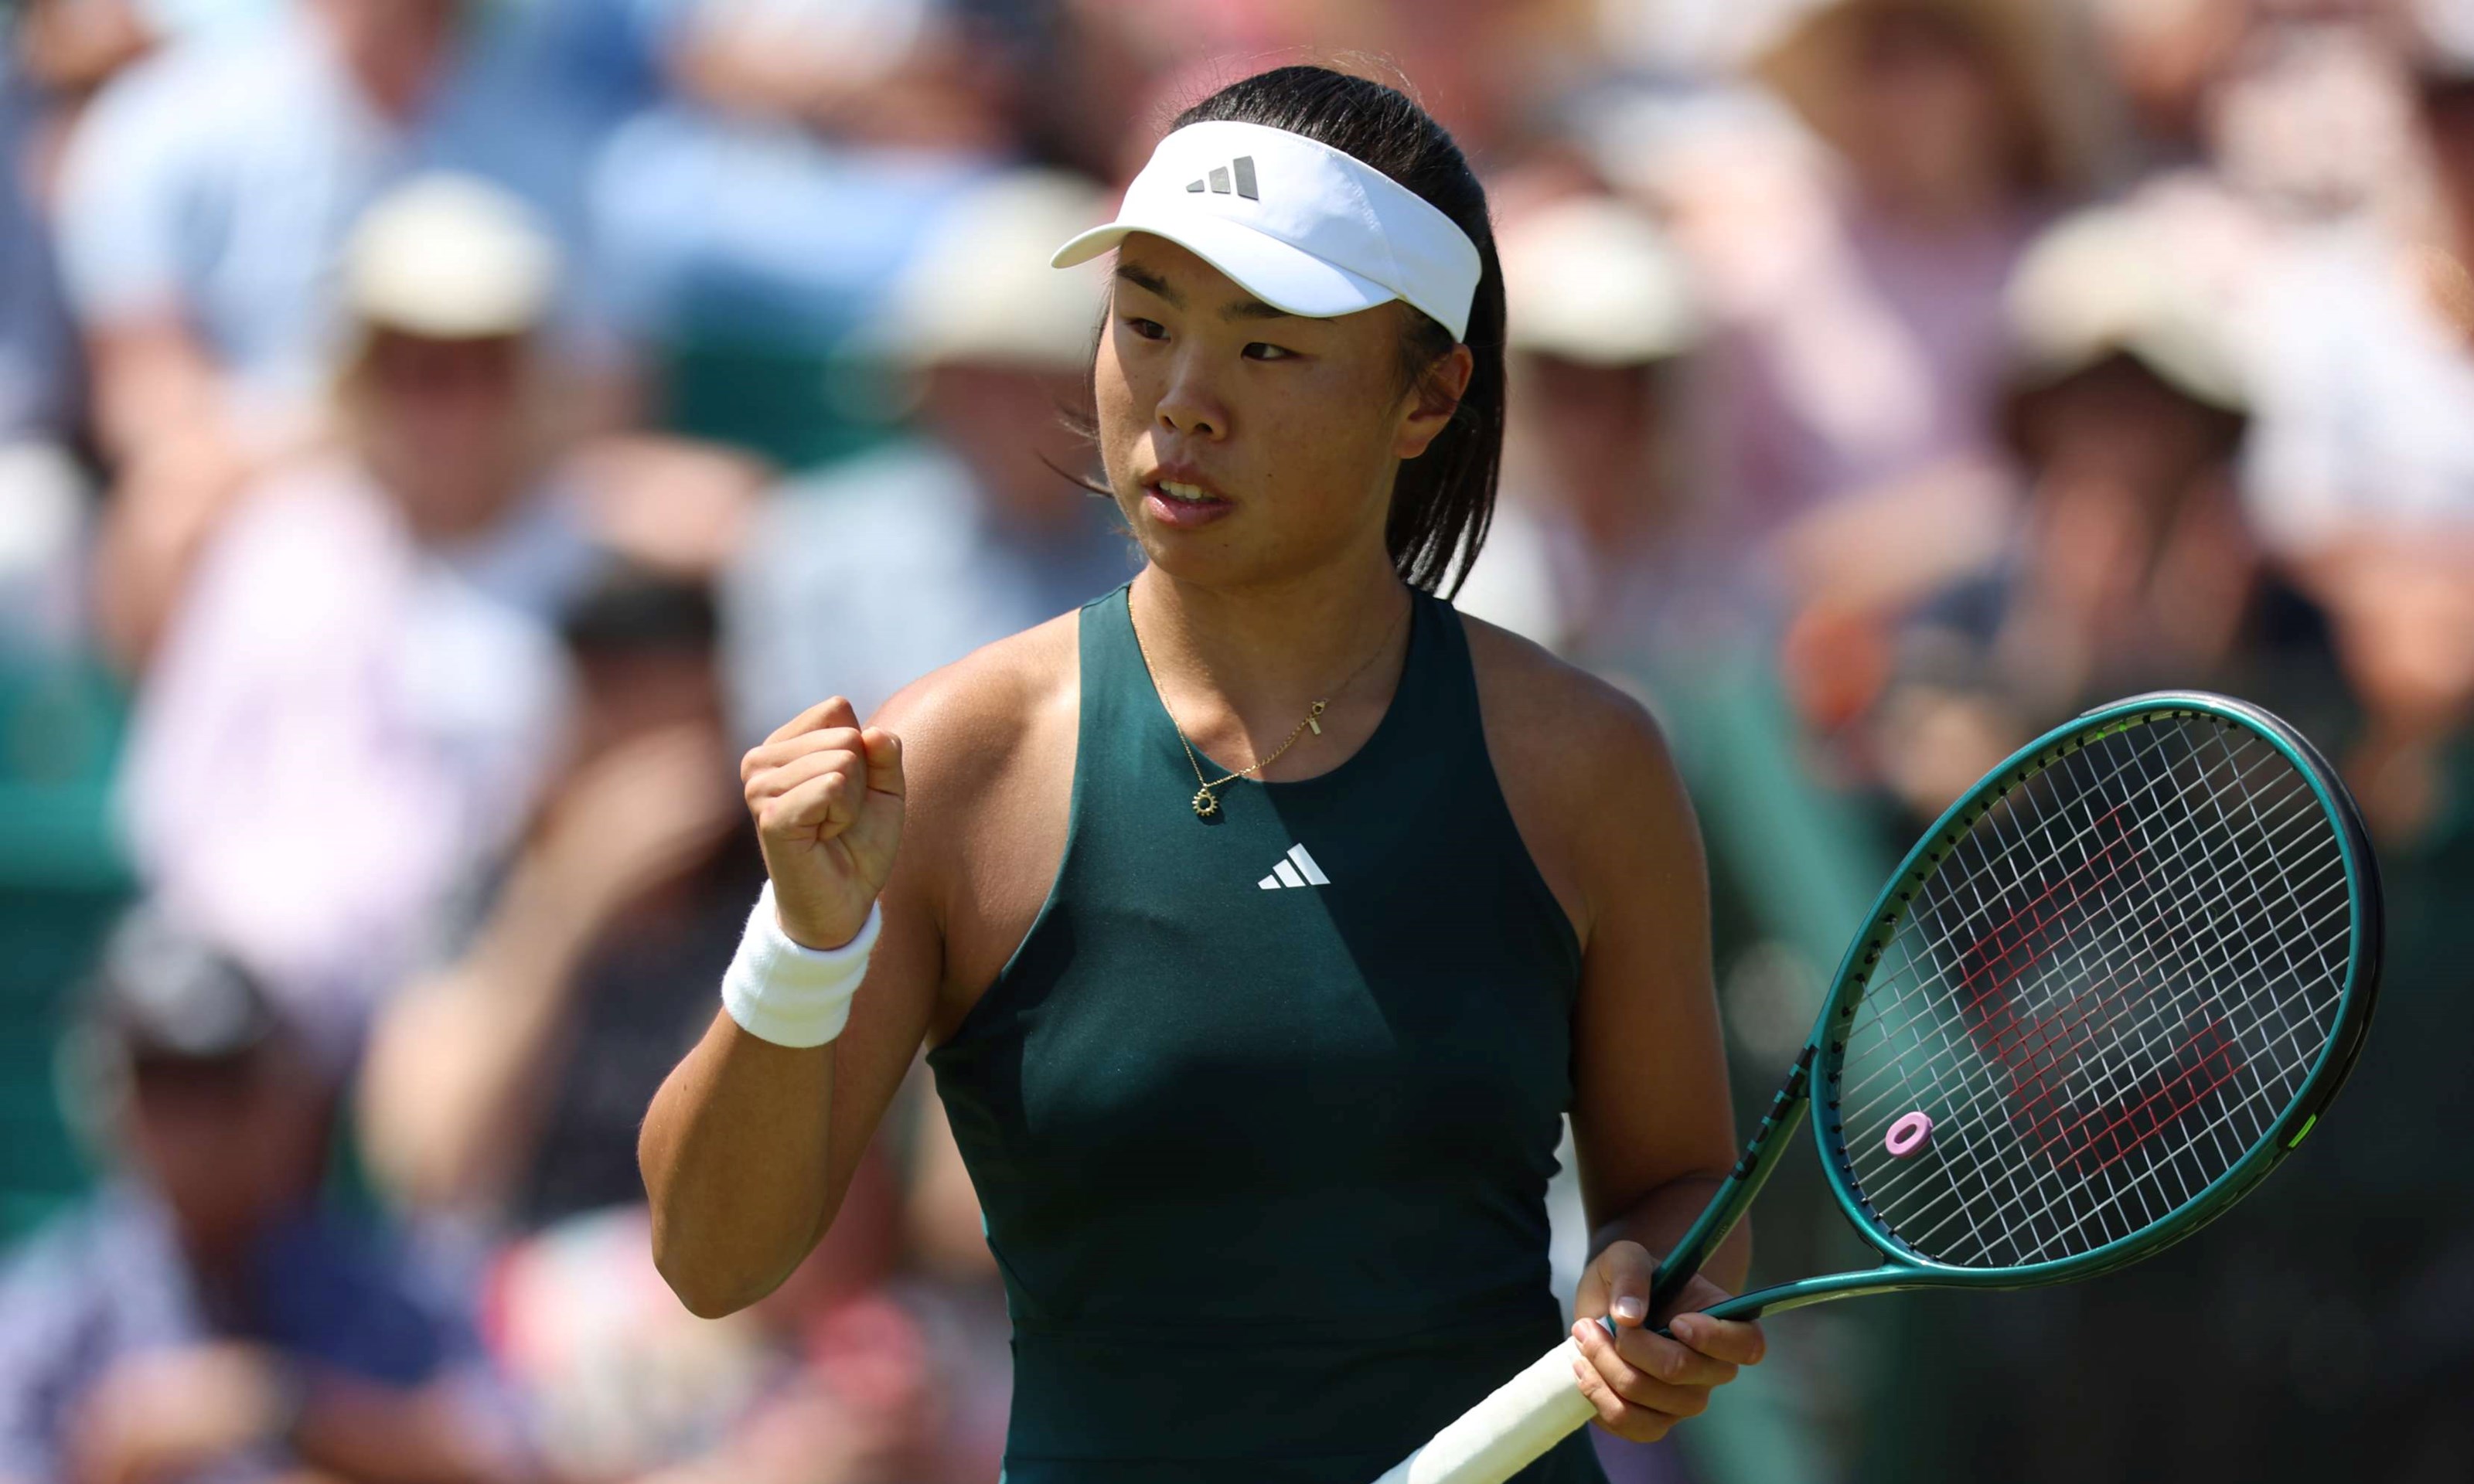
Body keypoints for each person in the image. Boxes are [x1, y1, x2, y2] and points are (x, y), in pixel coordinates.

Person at [642, 65, 1766, 1483]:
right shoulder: (957, 760)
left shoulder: (1587, 761)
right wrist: (804, 946)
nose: (1182, 402)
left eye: (1268, 348)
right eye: (1145, 323)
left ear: (1427, 398)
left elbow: (1677, 1186)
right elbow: (710, 1258)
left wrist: (1655, 1295)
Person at [114, 174, 601, 1053]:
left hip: (501, 1013)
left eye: (478, 366)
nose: (445, 400)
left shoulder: (590, 557)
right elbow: (177, 805)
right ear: (364, 375)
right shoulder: (280, 543)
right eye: (412, 368)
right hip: (262, 1016)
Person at [0, 907, 526, 1484]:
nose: (195, 1126)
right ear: (110, 1099)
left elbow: (513, 1455)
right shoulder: (46, 1313)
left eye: (221, 1083)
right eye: (162, 1084)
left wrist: (283, 1408)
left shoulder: (387, 1287)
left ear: (283, 1096)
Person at [721, 167, 1136, 738]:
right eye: (976, 381)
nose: (1003, 413)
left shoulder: (1165, 552)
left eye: (1038, 382)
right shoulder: (813, 545)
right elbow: (794, 767)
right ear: (931, 389)